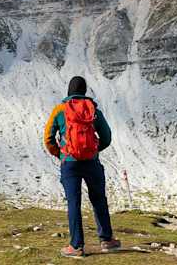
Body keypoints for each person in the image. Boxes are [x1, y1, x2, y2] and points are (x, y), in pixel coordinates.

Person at [43, 75, 118, 258]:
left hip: (70, 163)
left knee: (74, 203)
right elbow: (107, 137)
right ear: (84, 91)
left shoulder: (60, 110)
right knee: (99, 199)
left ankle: (76, 246)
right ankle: (107, 240)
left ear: (69, 91)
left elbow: (48, 138)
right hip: (92, 162)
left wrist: (60, 154)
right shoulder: (93, 110)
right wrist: (94, 150)